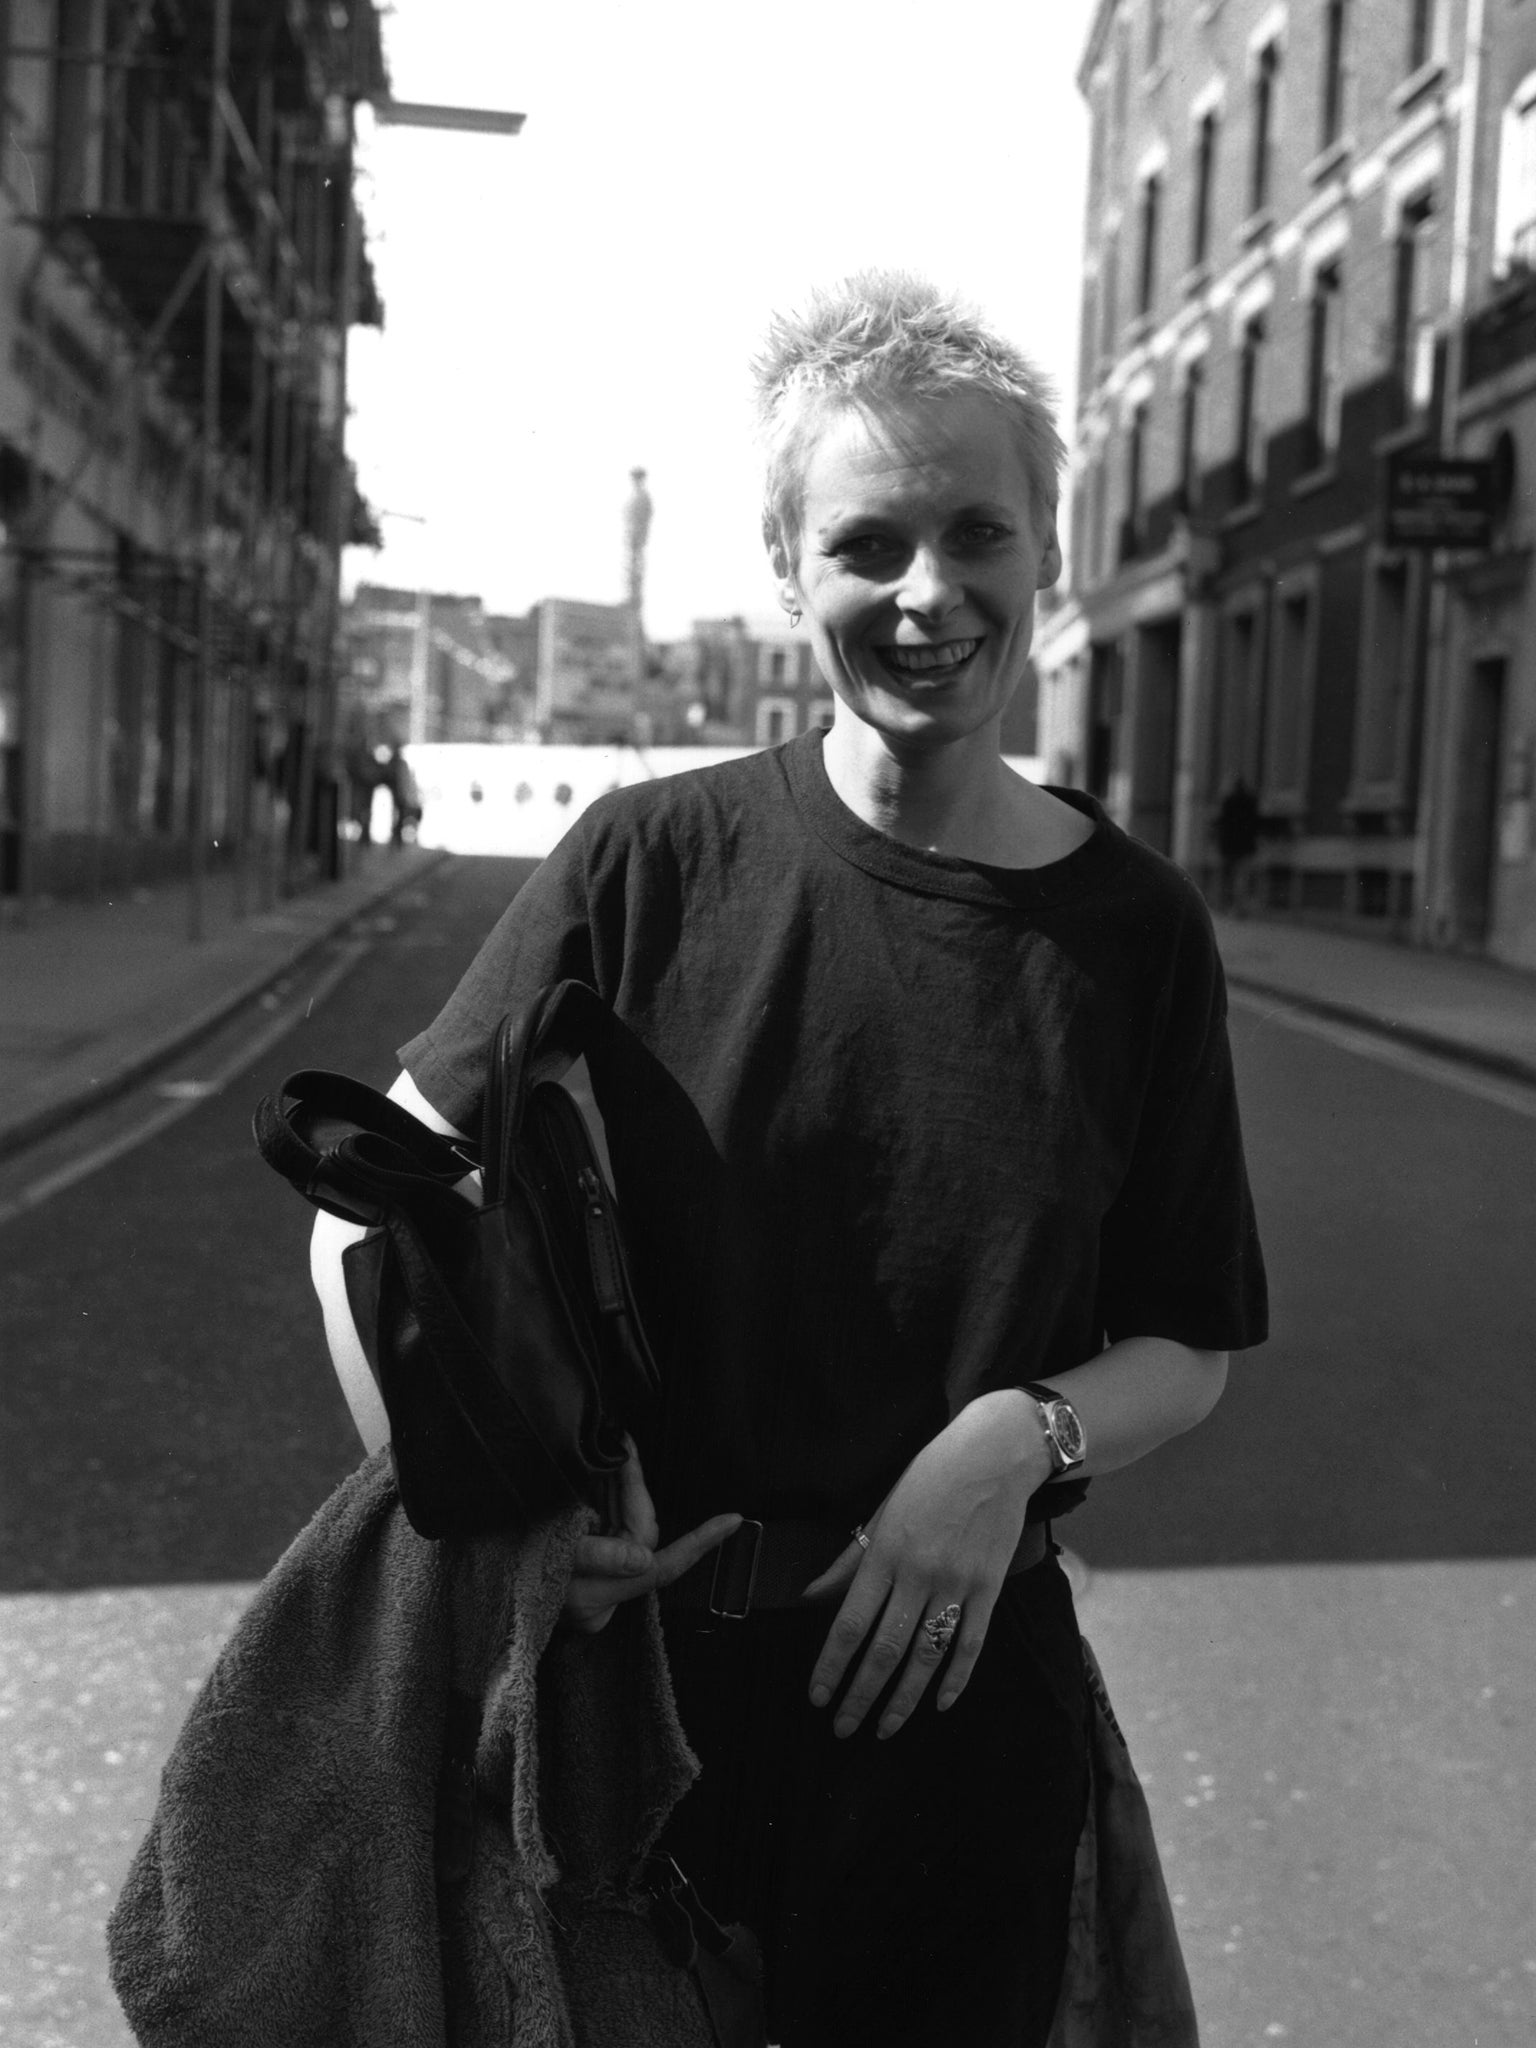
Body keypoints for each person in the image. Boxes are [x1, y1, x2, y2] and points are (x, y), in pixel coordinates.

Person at [310, 271, 1267, 2047]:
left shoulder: (1133, 931)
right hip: (636, 1719)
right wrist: (501, 1516)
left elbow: (1186, 1341)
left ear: (1044, 554)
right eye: (867, 542)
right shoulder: (648, 862)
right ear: (785, 568)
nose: (927, 592)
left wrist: (1011, 1439)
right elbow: (371, 1191)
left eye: (976, 531)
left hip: (960, 1720)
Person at [1214, 775, 1260, 914]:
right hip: (1245, 845)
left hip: (1229, 845)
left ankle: (1225, 905)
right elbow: (1256, 823)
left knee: (1227, 876)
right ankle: (1239, 906)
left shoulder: (1228, 802)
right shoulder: (1251, 802)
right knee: (1242, 877)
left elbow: (1221, 821)